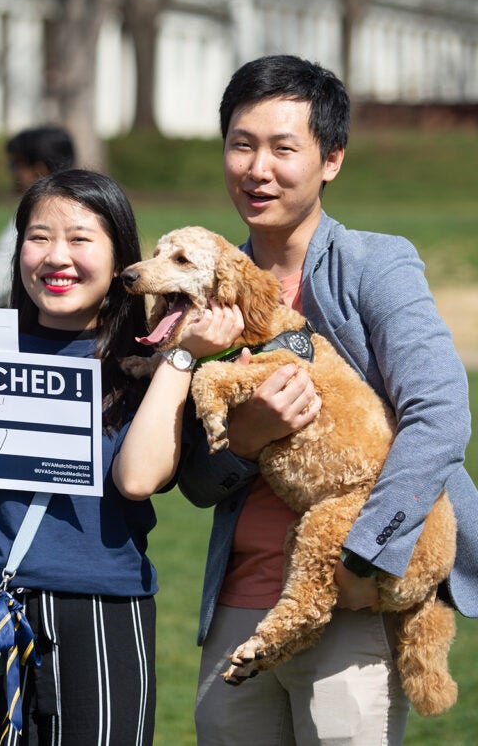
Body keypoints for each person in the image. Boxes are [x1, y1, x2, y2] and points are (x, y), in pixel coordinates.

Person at [0, 169, 242, 745]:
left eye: (80, 238)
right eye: (39, 237)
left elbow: (139, 477)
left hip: (102, 615)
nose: (56, 256)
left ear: (121, 255)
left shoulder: (152, 367)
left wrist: (181, 357)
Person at [178, 54, 478, 745]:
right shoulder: (207, 281)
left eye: (284, 148)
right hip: (239, 604)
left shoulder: (375, 265)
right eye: (242, 144)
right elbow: (192, 482)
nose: (258, 169)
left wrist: (362, 557)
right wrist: (245, 441)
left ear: (330, 159)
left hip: (354, 605)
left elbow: (440, 415)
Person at [0, 125, 75, 308]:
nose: (12, 172)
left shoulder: (33, 220)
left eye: (15, 164)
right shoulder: (90, 214)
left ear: (39, 171)